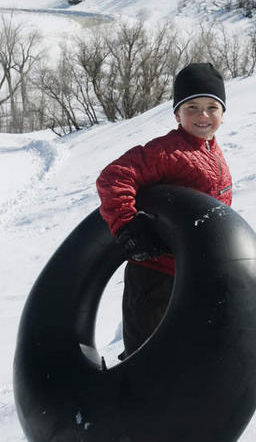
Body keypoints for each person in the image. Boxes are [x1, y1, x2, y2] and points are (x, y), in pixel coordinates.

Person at [96, 63, 232, 359]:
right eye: (192, 107)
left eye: (212, 107)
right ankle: (134, 400)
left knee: (187, 346)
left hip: (192, 273)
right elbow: (114, 177)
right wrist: (128, 225)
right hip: (155, 275)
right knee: (148, 349)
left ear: (223, 113)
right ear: (177, 114)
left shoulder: (212, 151)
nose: (203, 116)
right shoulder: (167, 151)